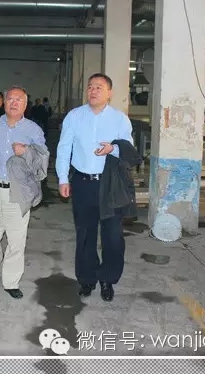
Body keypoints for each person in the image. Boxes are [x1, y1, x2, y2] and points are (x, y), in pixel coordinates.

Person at [55, 73, 135, 302]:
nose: (93, 91)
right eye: (90, 87)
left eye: (99, 87)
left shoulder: (120, 119)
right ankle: (87, 279)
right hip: (83, 183)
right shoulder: (74, 116)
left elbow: (129, 150)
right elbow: (64, 148)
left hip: (110, 184)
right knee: (85, 235)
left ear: (110, 93)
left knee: (113, 236)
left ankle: (108, 279)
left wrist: (113, 149)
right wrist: (63, 178)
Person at [0, 86, 47, 299]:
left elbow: (43, 159)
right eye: (10, 99)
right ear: (4, 102)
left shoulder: (33, 130)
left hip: (18, 190)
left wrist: (26, 151)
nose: (14, 103)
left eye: (18, 100)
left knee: (16, 239)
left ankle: (11, 281)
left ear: (25, 104)